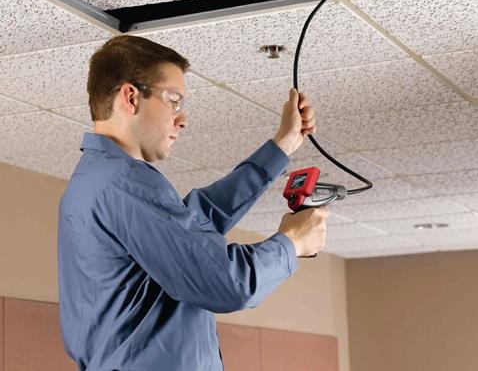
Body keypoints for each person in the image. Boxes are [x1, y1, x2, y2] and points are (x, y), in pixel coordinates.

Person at [58, 35, 329, 371]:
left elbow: (194, 224)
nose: (182, 118)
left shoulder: (96, 179)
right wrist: (293, 243)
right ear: (131, 97)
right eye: (173, 101)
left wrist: (281, 147)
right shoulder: (125, 182)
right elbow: (227, 284)